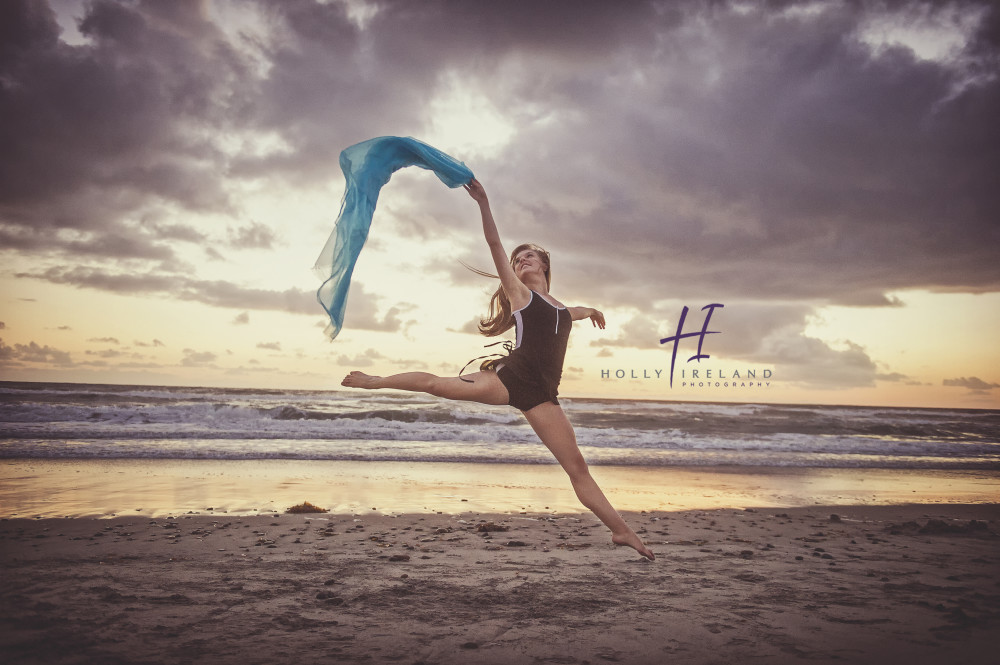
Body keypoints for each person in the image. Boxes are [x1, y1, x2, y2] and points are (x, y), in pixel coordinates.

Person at [342, 178, 655, 561]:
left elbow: (571, 313)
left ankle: (622, 532)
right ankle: (375, 381)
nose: (521, 260)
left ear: (545, 265)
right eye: (517, 258)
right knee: (436, 384)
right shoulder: (519, 296)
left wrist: (592, 311)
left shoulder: (559, 307)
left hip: (542, 395)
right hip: (510, 379)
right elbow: (494, 245)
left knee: (577, 468)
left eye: (529, 257)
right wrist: (483, 203)